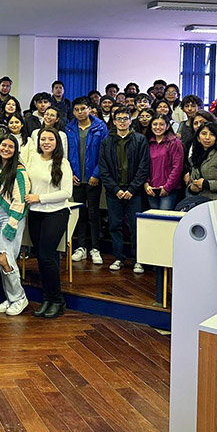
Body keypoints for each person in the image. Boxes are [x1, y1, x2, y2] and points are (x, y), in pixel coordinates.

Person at [25, 126, 73, 318]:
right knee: (44, 258)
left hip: (56, 213)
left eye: (50, 139)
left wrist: (40, 198)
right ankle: (47, 298)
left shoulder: (63, 163)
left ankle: (57, 299)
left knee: (46, 256)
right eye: (43, 139)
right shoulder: (33, 159)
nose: (46, 142)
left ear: (57, 142)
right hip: (35, 213)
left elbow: (67, 192)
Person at [0, 136, 30, 316]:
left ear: (15, 150)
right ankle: (11, 298)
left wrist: (12, 224)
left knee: (4, 259)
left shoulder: (19, 171)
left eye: (11, 146)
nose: (6, 149)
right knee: (3, 259)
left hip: (12, 217)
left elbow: (20, 201)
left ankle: (19, 298)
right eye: (4, 145)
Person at [99, 107, 150, 273]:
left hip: (134, 192)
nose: (122, 122)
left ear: (130, 121)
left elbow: (144, 166)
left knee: (136, 227)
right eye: (118, 119)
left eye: (125, 118)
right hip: (114, 192)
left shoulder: (140, 139)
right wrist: (115, 189)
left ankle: (138, 260)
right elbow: (103, 168)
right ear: (114, 122)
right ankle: (118, 258)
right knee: (115, 226)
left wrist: (133, 188)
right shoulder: (107, 141)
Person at [67, 97, 107, 266]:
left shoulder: (100, 127)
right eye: (77, 109)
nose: (80, 112)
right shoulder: (69, 128)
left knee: (93, 214)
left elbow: (104, 153)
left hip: (93, 178)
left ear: (90, 109)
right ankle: (81, 247)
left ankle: (95, 248)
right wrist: (70, 173)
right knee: (80, 214)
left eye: (83, 109)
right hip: (76, 178)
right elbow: (66, 153)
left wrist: (96, 174)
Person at [144, 113, 185, 210]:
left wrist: (167, 187)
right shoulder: (147, 142)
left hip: (169, 189)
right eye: (155, 124)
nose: (158, 127)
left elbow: (177, 167)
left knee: (165, 220)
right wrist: (146, 183)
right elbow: (144, 165)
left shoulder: (174, 143)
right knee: (154, 220)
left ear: (167, 126)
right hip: (151, 189)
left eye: (161, 124)